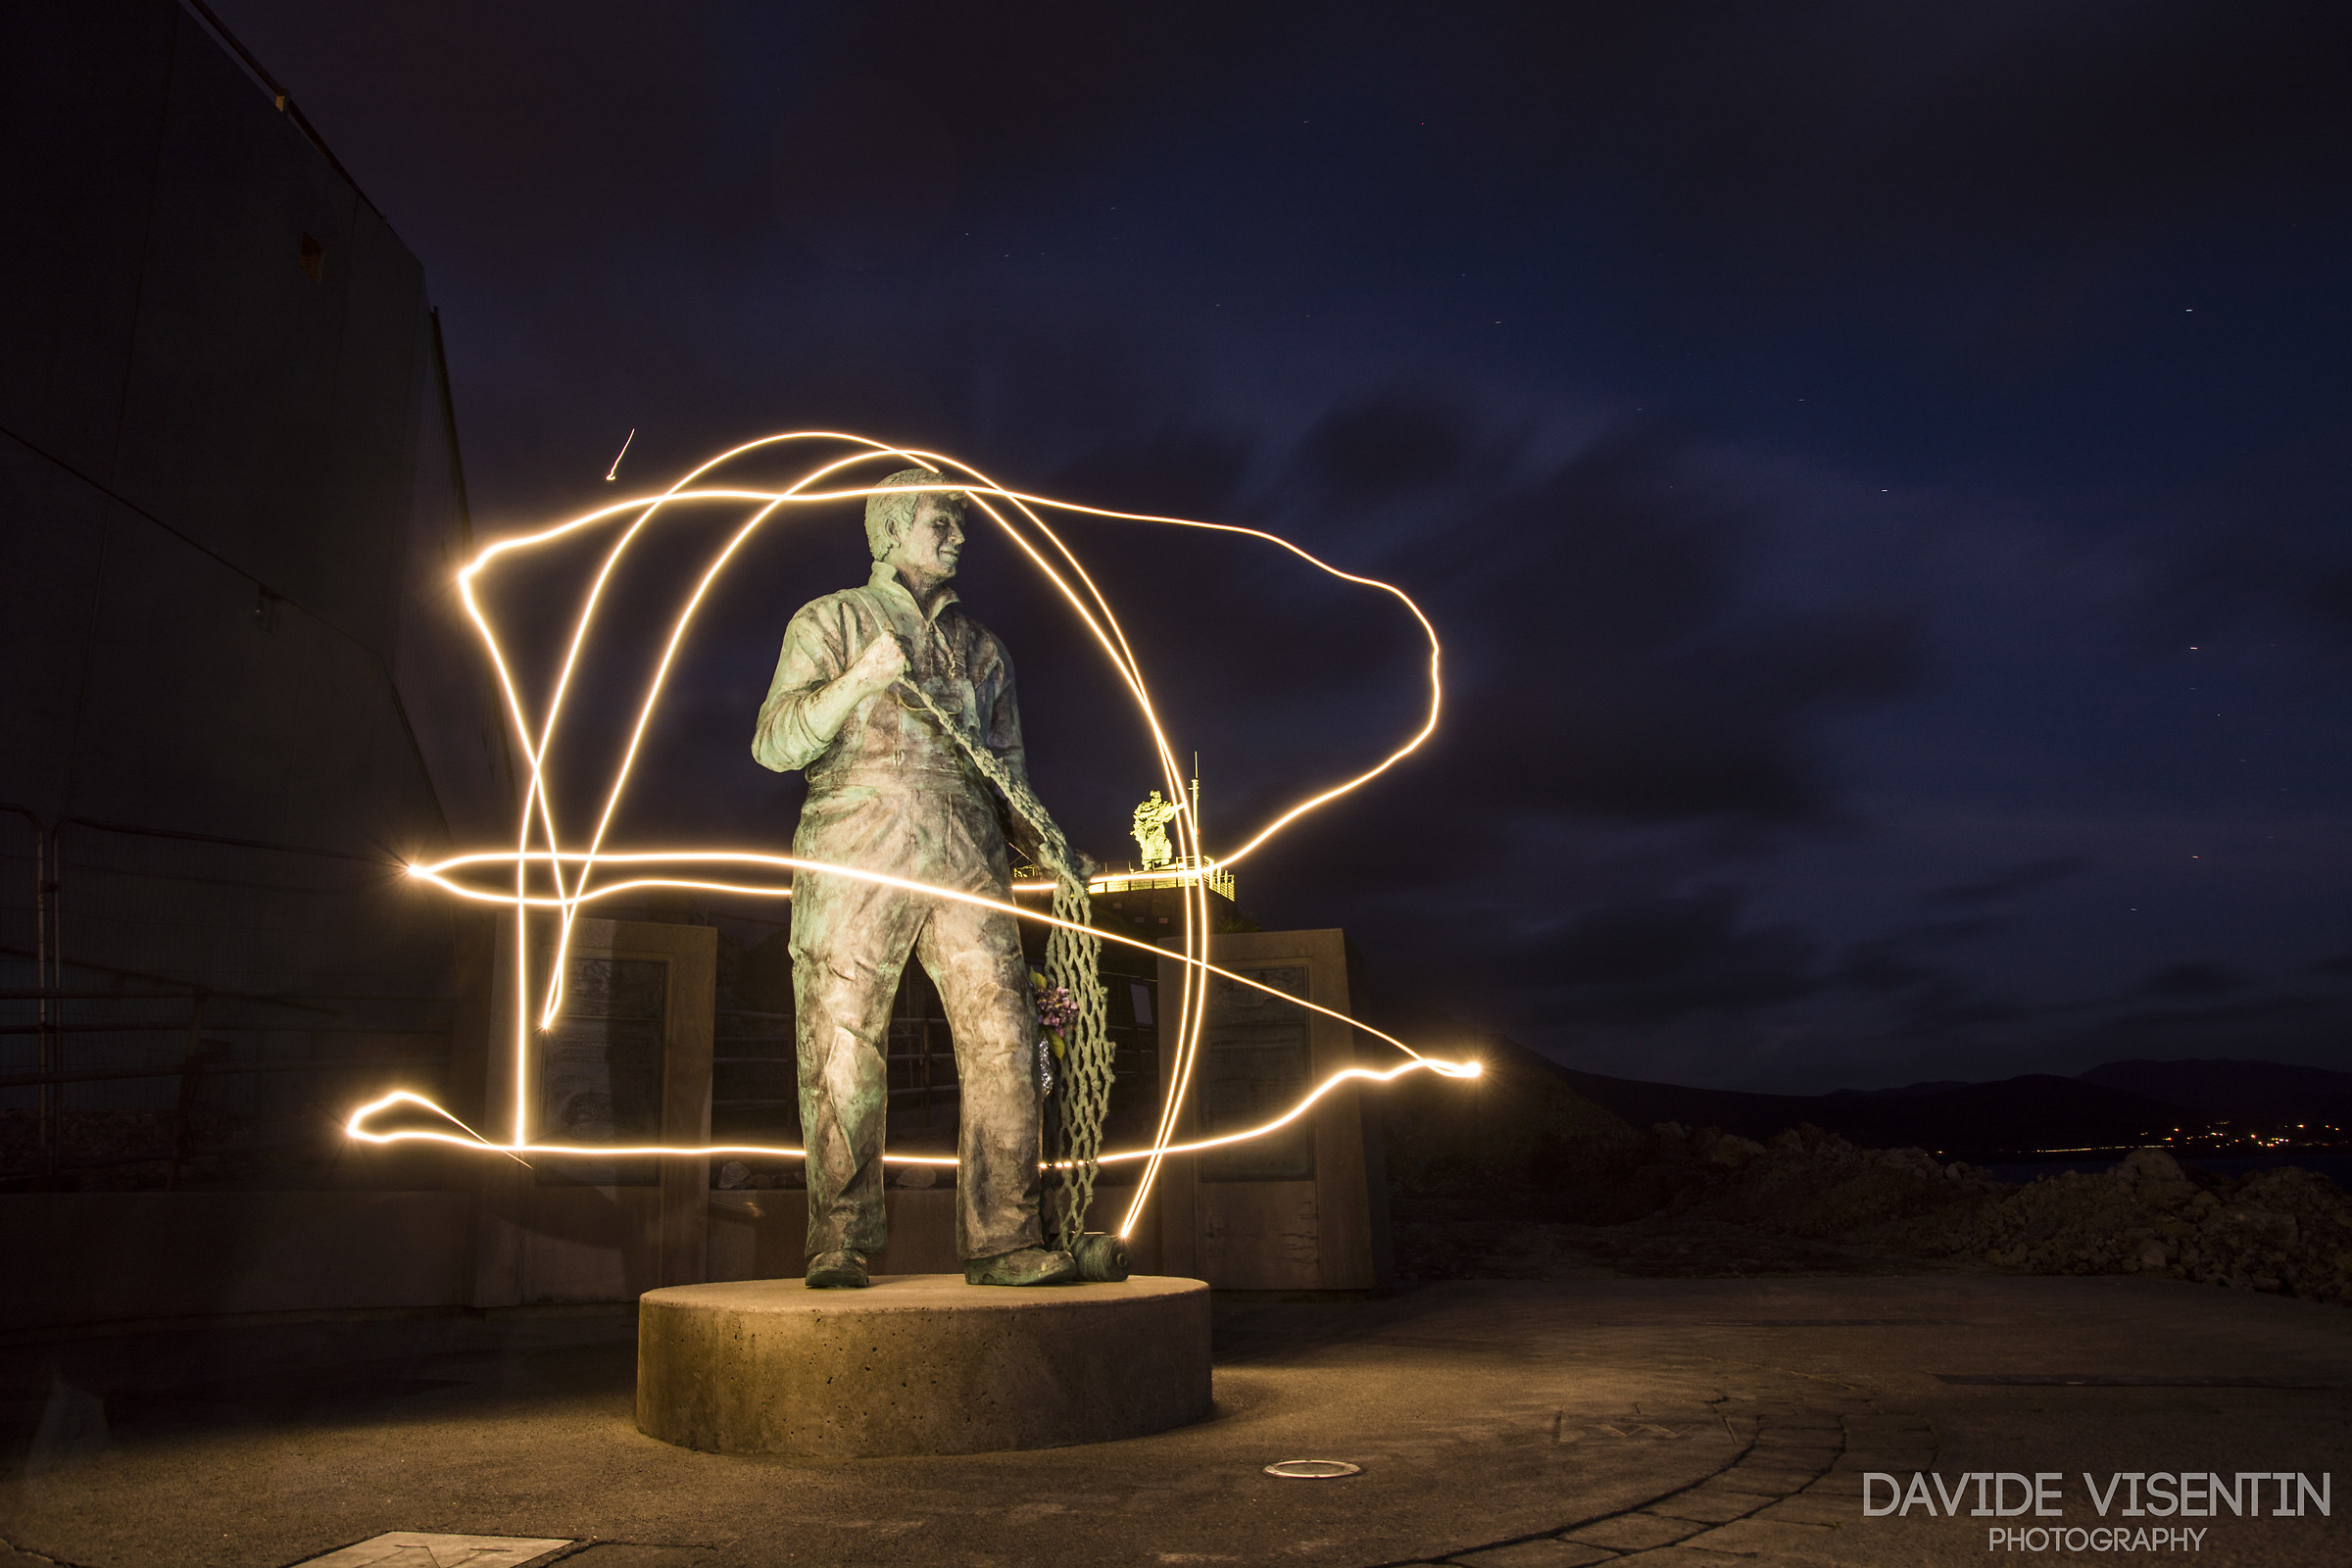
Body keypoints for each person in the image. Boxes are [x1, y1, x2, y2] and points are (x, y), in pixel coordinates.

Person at [752, 468, 1080, 1288]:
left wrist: (1049, 843)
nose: (959, 535)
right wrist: (858, 680)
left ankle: (1005, 1238)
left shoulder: (985, 650)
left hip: (969, 853)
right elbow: (775, 743)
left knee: (1006, 1037)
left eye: (960, 522)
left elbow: (1008, 774)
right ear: (891, 530)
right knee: (839, 1037)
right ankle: (840, 1240)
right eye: (943, 520)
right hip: (855, 843)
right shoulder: (830, 620)